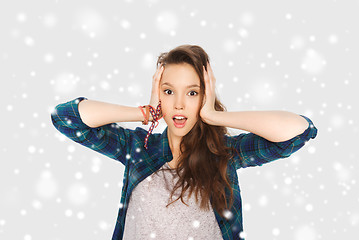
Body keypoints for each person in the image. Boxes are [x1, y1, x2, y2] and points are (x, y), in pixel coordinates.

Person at [51, 44, 318, 240]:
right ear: (159, 95)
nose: (179, 104)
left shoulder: (223, 153)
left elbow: (299, 131)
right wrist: (144, 113)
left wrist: (214, 115)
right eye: (168, 92)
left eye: (192, 92)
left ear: (204, 97)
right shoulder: (137, 148)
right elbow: (64, 118)